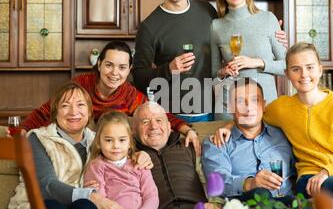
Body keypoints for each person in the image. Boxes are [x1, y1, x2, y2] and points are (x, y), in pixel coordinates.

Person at [133, 0, 288, 123]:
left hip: (213, 108)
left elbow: (235, 27)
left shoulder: (207, 11)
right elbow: (139, 78)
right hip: (174, 114)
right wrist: (168, 69)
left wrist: (273, 32)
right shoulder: (149, 27)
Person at [213, 42, 333, 198]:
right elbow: (251, 115)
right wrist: (228, 126)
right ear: (287, 74)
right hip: (309, 179)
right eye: (296, 69)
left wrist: (328, 171)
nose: (304, 75)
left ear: (320, 70)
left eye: (310, 67)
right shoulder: (281, 108)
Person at [4, 82, 135, 209]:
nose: (74, 112)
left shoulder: (100, 141)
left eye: (80, 105)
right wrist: (92, 196)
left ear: (88, 111)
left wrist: (139, 155)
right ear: (55, 112)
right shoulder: (37, 139)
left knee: (86, 208)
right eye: (65, 106)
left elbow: (122, 158)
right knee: (54, 208)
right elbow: (46, 186)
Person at [19, 40, 201, 156]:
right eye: (109, 65)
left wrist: (188, 131)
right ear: (99, 64)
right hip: (74, 148)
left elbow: (158, 114)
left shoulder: (130, 95)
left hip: (107, 154)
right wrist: (23, 130)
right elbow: (46, 111)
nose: (115, 73)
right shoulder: (81, 85)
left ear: (129, 70)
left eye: (122, 67)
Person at [132, 102, 220, 209]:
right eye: (145, 122)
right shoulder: (129, 157)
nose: (153, 127)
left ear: (169, 126)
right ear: (134, 130)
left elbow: (213, 176)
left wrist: (215, 204)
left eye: (159, 120)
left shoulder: (188, 146)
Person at [211, 0, 287, 120]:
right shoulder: (216, 26)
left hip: (265, 106)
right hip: (229, 108)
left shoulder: (268, 19)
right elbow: (213, 75)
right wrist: (224, 71)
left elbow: (286, 66)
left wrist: (257, 62)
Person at [202, 77, 295, 202]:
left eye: (255, 100)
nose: (248, 107)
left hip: (288, 206)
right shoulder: (217, 143)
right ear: (230, 108)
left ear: (264, 105)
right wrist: (250, 183)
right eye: (240, 101)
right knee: (260, 194)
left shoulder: (285, 135)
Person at [84, 111, 159, 209]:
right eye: (108, 140)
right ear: (99, 143)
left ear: (130, 142)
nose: (116, 145)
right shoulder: (96, 166)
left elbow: (152, 196)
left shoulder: (140, 165)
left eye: (122, 140)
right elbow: (99, 198)